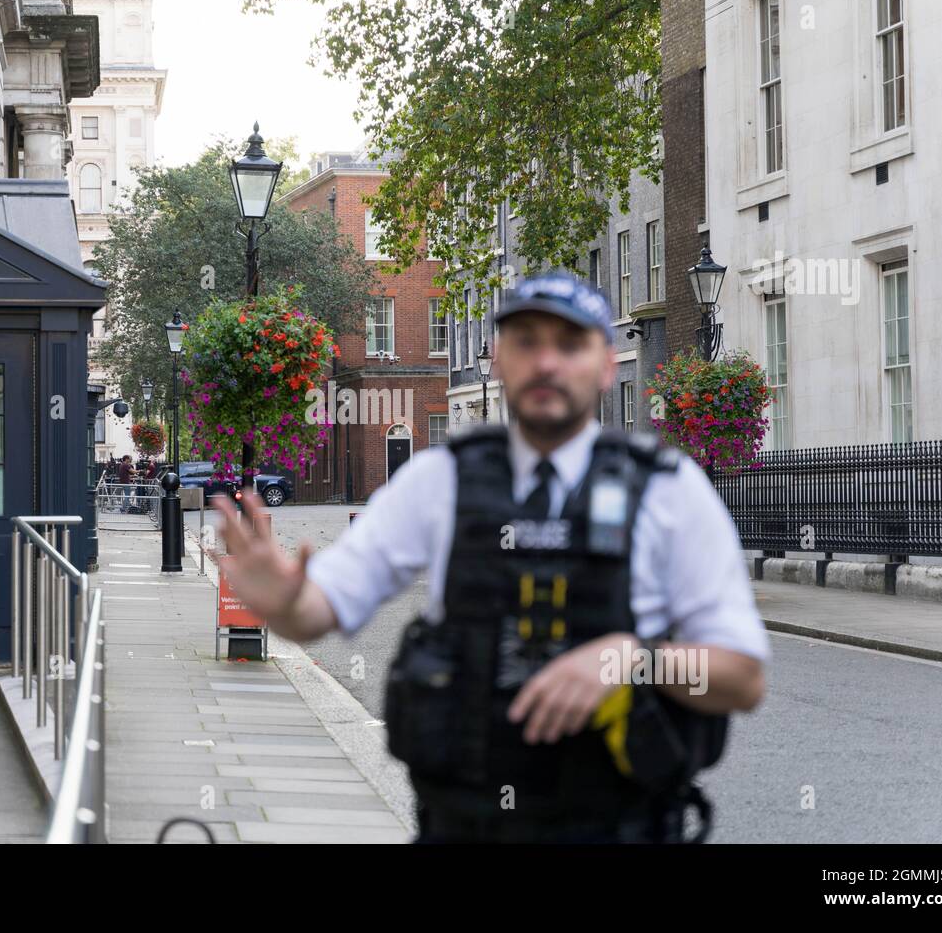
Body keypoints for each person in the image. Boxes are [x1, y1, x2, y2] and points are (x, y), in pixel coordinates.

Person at [214, 270, 769, 844]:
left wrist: (632, 661)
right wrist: (281, 602)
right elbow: (319, 608)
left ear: (608, 363)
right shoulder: (440, 481)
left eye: (570, 344)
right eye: (527, 342)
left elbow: (742, 676)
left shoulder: (668, 489)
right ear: (498, 360)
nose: (547, 362)